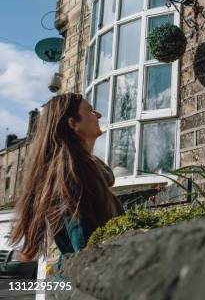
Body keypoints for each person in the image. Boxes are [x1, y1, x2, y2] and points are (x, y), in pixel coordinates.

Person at [10, 93, 123, 267]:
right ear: (72, 124)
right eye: (90, 111)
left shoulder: (81, 171)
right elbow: (86, 251)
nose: (98, 115)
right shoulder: (73, 175)